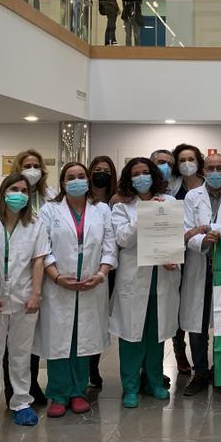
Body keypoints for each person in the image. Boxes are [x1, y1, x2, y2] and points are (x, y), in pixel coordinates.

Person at [37, 162, 117, 418]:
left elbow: (110, 245)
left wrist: (101, 274)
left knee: (84, 339)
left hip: (92, 283)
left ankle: (78, 391)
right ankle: (58, 394)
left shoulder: (101, 209)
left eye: (81, 176)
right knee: (59, 339)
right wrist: (56, 276)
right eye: (70, 177)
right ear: (62, 183)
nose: (76, 181)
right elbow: (42, 248)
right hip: (58, 285)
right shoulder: (49, 210)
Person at [0, 174, 50, 435]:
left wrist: (36, 294)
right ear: (3, 192)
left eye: (24, 190)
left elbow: (39, 260)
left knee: (21, 355)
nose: (19, 194)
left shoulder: (35, 223)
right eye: (13, 189)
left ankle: (20, 402)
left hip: (25, 296)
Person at [110, 158, 180, 408]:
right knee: (131, 336)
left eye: (145, 173)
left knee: (156, 335)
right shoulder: (121, 207)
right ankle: (130, 387)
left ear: (153, 175)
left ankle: (154, 382)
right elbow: (123, 240)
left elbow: (174, 236)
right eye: (136, 174)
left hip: (161, 279)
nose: (142, 178)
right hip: (134, 280)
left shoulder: (169, 202)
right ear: (129, 179)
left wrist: (172, 258)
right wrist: (145, 213)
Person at [180, 153, 221, 397]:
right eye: (211, 168)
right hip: (200, 263)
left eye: (220, 167)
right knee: (197, 323)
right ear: (203, 172)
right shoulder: (191, 196)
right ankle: (200, 372)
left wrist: (209, 229)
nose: (216, 171)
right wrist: (203, 240)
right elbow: (186, 230)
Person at [4, 149, 54, 406]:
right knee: (8, 344)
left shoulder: (51, 196)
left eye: (36, 165)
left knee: (31, 340)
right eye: (27, 165)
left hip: (44, 276)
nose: (32, 169)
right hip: (10, 282)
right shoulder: (0, 202)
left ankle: (31, 385)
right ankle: (12, 391)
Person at [171, 143, 206, 376]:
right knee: (176, 303)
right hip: (174, 252)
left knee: (198, 307)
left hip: (200, 252)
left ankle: (202, 360)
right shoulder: (171, 188)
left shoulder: (209, 184)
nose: (186, 164)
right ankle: (178, 349)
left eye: (191, 159)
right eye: (182, 160)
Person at [87, 155, 118, 387]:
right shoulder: (80, 200)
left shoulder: (118, 199)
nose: (101, 174)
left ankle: (92, 366)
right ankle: (81, 366)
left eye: (106, 170)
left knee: (100, 319)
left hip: (112, 266)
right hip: (83, 266)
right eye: (97, 169)